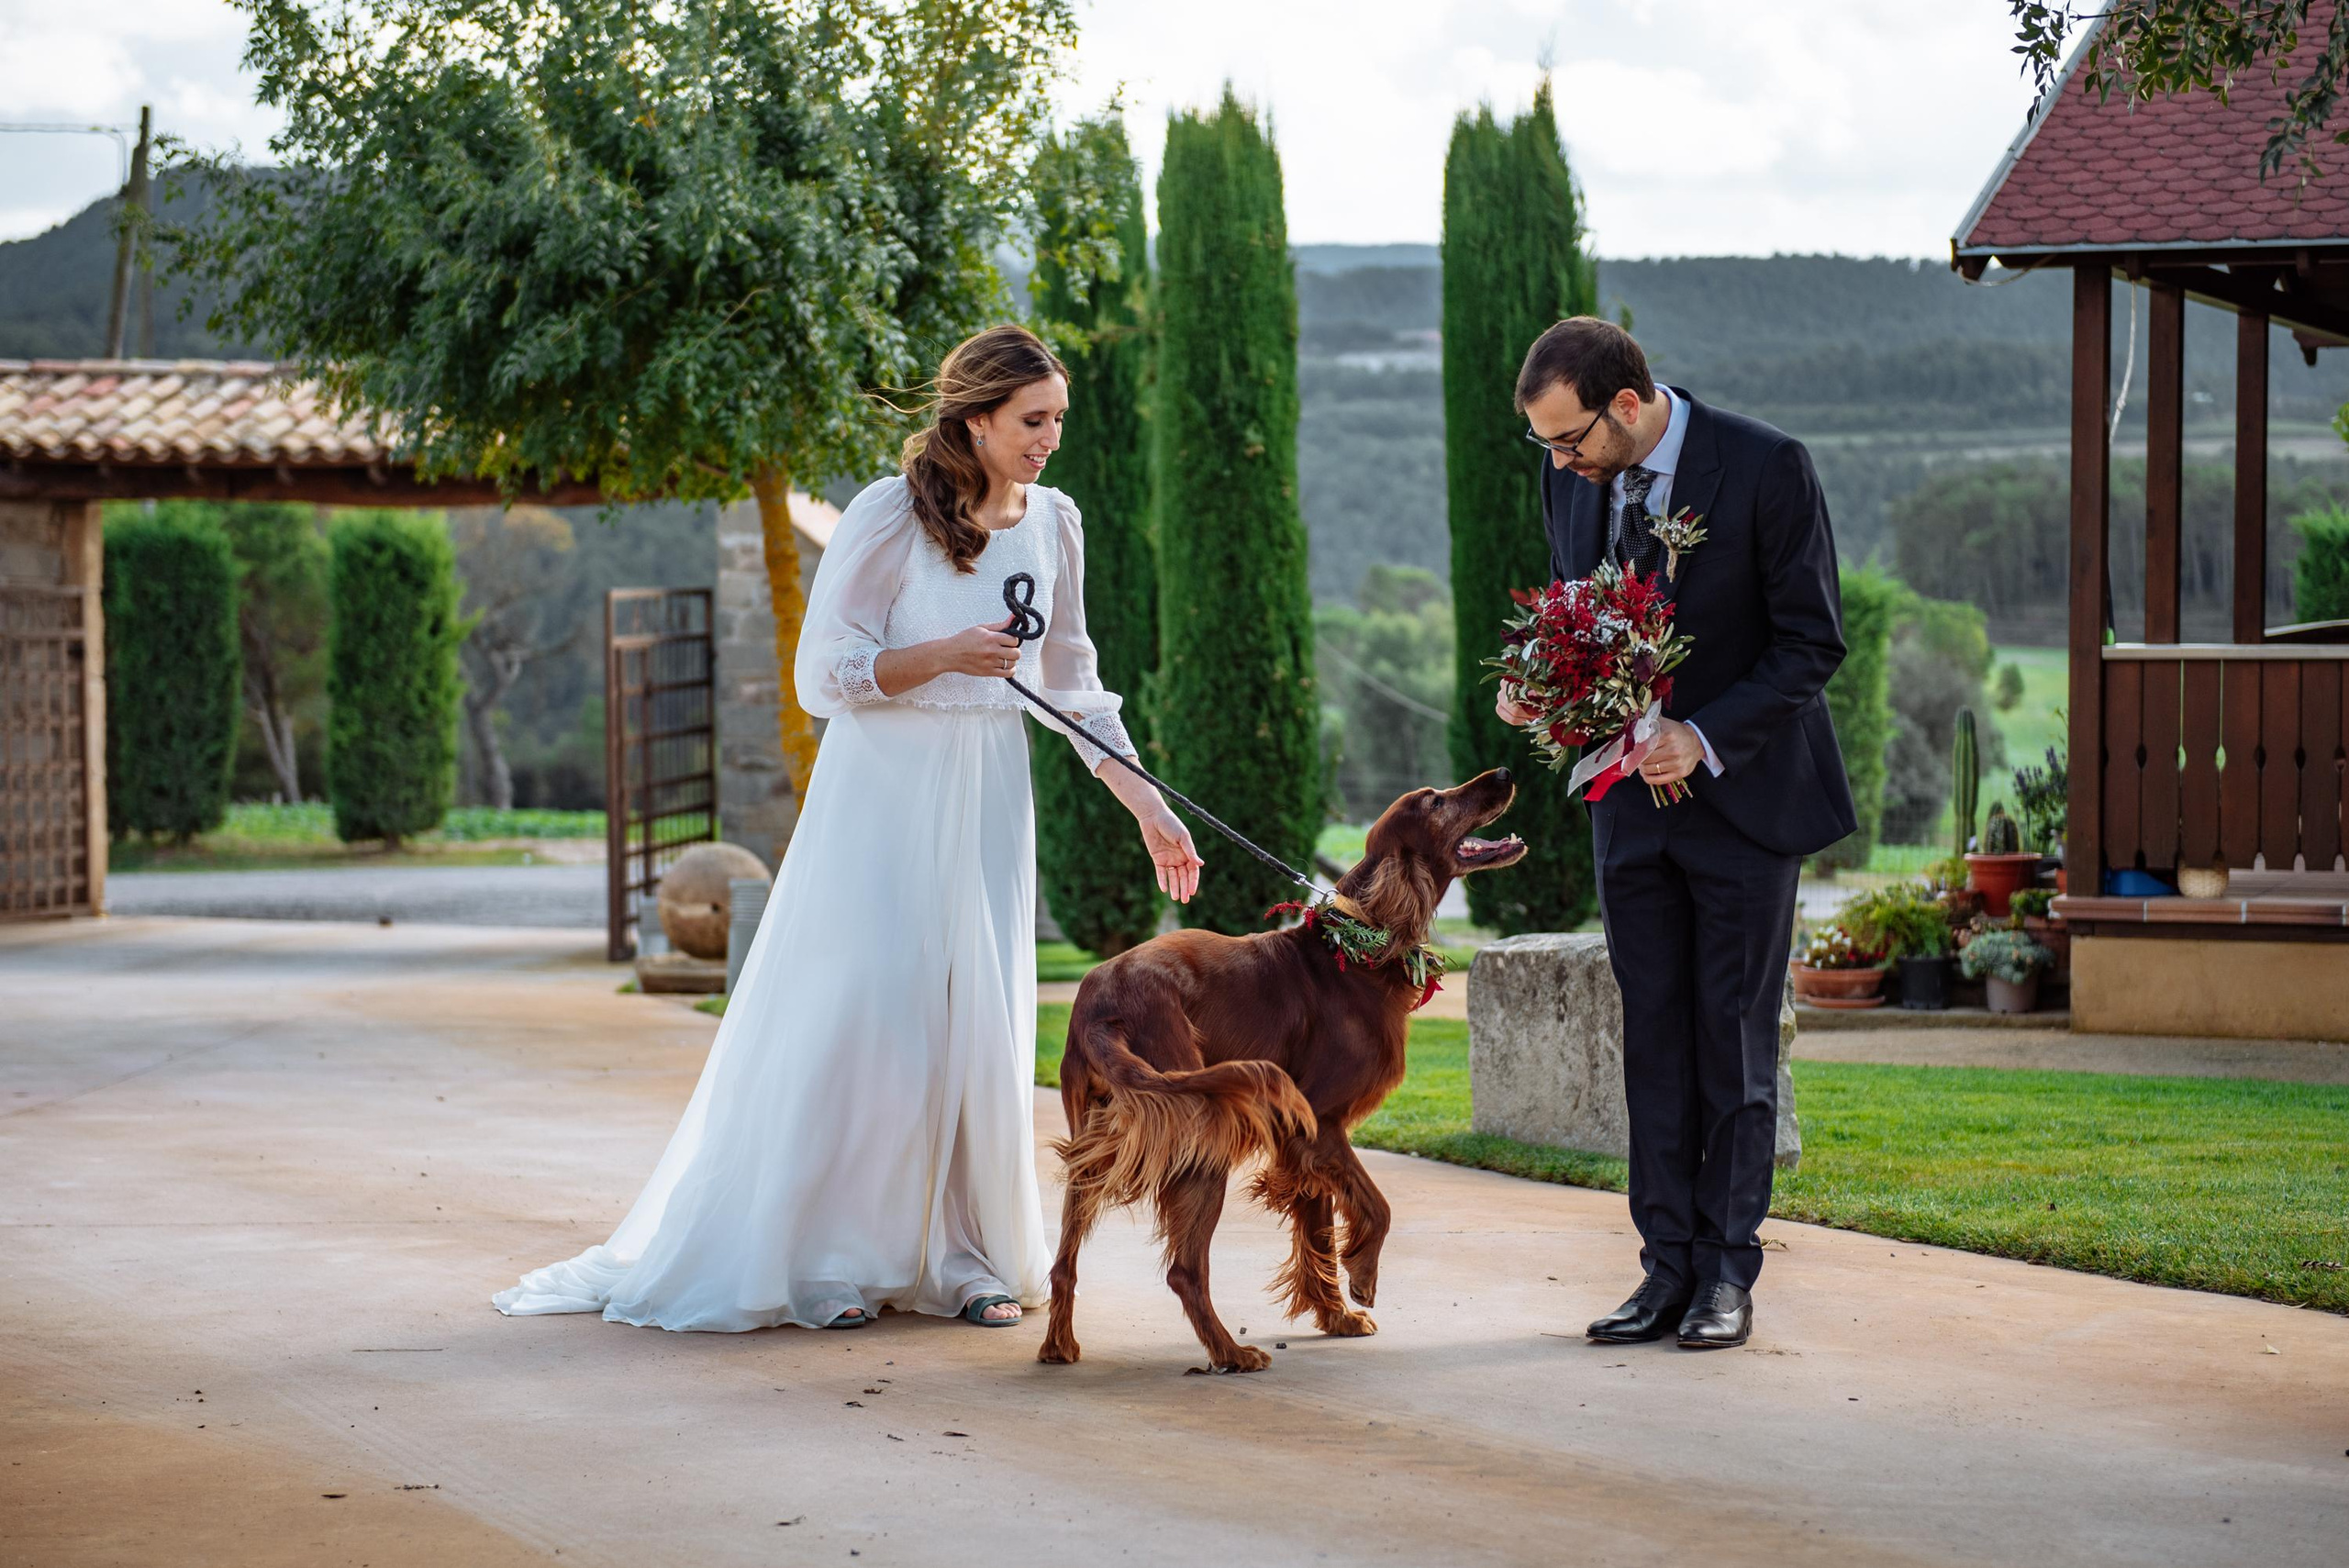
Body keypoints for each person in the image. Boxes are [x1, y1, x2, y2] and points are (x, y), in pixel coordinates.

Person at [494, 324, 1203, 1333]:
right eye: (1032, 420)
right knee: (871, 1015)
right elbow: (820, 676)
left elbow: (1072, 681)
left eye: (1056, 419)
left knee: (974, 1018)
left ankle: (965, 1259)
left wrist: (1147, 802)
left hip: (991, 793)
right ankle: (828, 1256)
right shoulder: (890, 513)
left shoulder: (1055, 522)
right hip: (883, 792)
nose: (1050, 438)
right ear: (975, 417)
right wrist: (944, 654)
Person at [1497, 318, 1854, 1350]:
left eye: (1569, 440)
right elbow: (1579, 619)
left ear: (1626, 402)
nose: (1559, 462)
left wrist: (1700, 737)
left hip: (1743, 804)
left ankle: (1724, 1275)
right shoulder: (1569, 478)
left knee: (1730, 1041)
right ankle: (1661, 1267)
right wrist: (1539, 688)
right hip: (1624, 807)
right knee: (1650, 1036)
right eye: (1545, 446)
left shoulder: (1766, 464)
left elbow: (1809, 642)